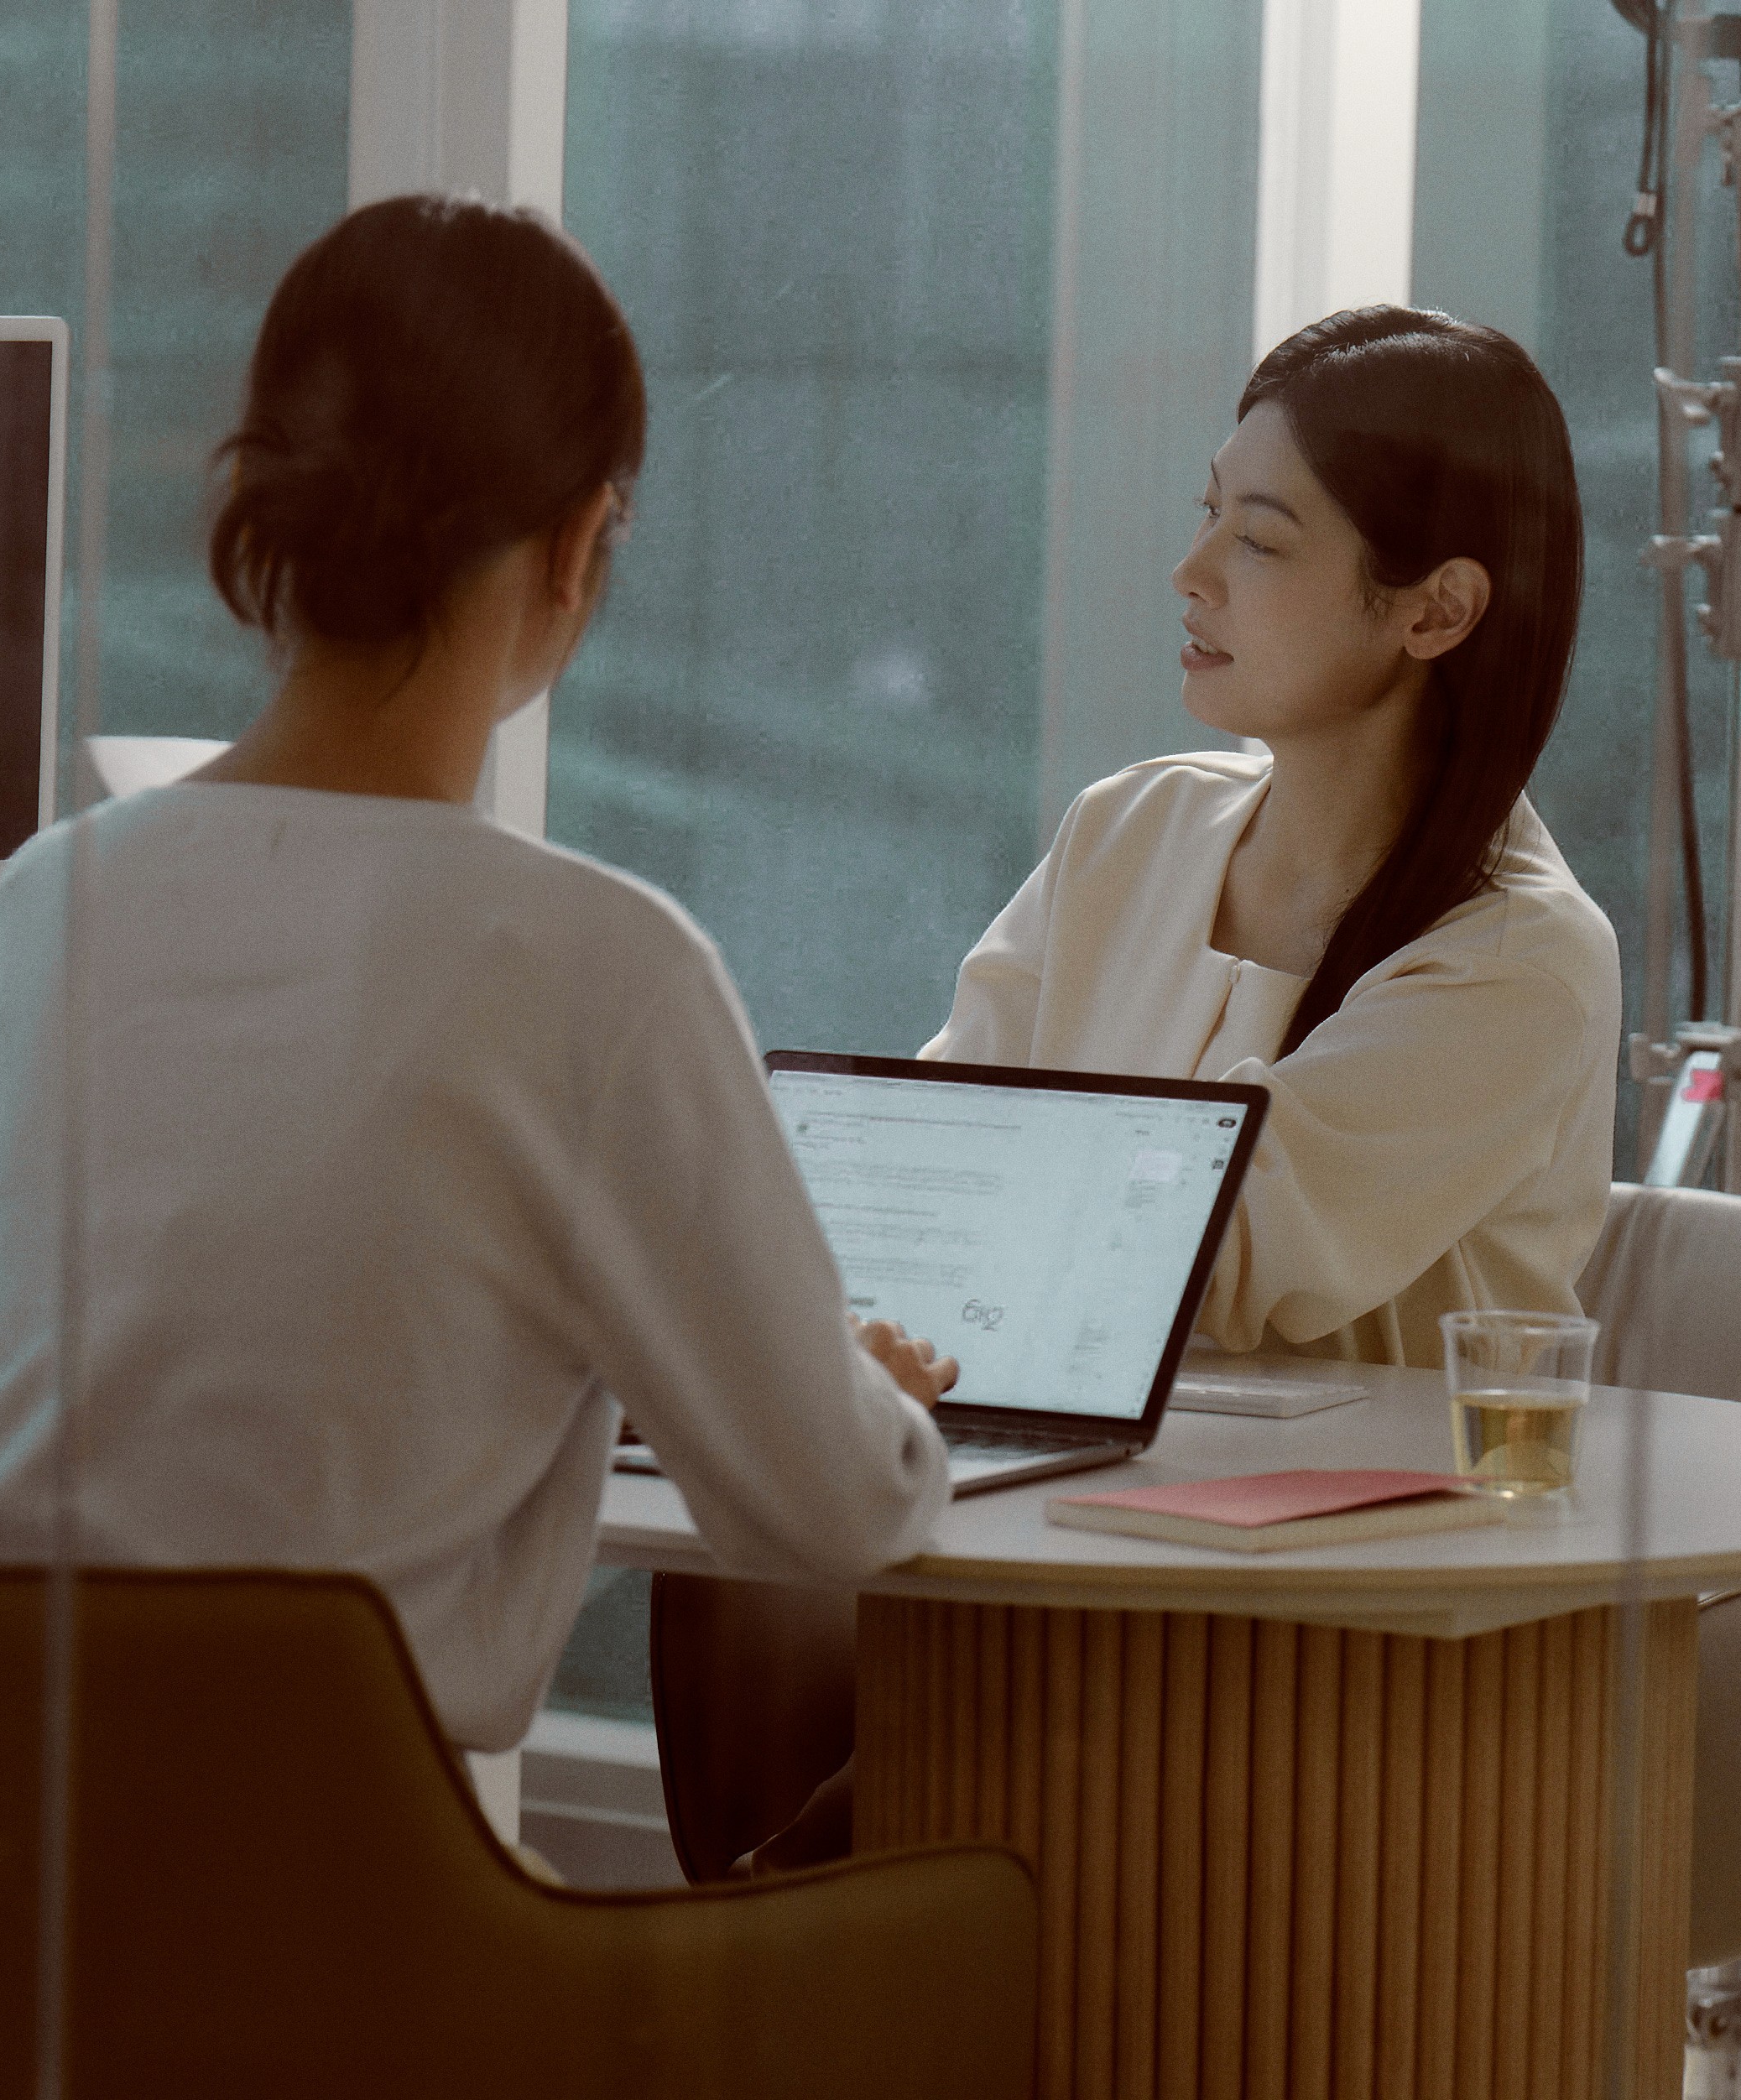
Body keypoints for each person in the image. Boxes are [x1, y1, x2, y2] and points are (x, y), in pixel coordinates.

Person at [0, 195, 960, 1794]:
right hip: (335, 1929)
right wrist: (856, 1398)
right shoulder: (597, 967)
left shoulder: (55, 897)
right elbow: (833, 1511)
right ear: (579, 546)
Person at [661, 305, 1619, 1876]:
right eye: (1205, 516)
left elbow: (1211, 1269)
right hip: (1059, 1559)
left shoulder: (1521, 957)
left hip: (1336, 1654)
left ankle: (774, 1958)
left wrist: (977, 1211)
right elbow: (928, 1164)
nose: (1190, 577)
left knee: (902, 1859)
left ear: (1434, 608)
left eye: (1259, 538)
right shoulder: (1131, 831)